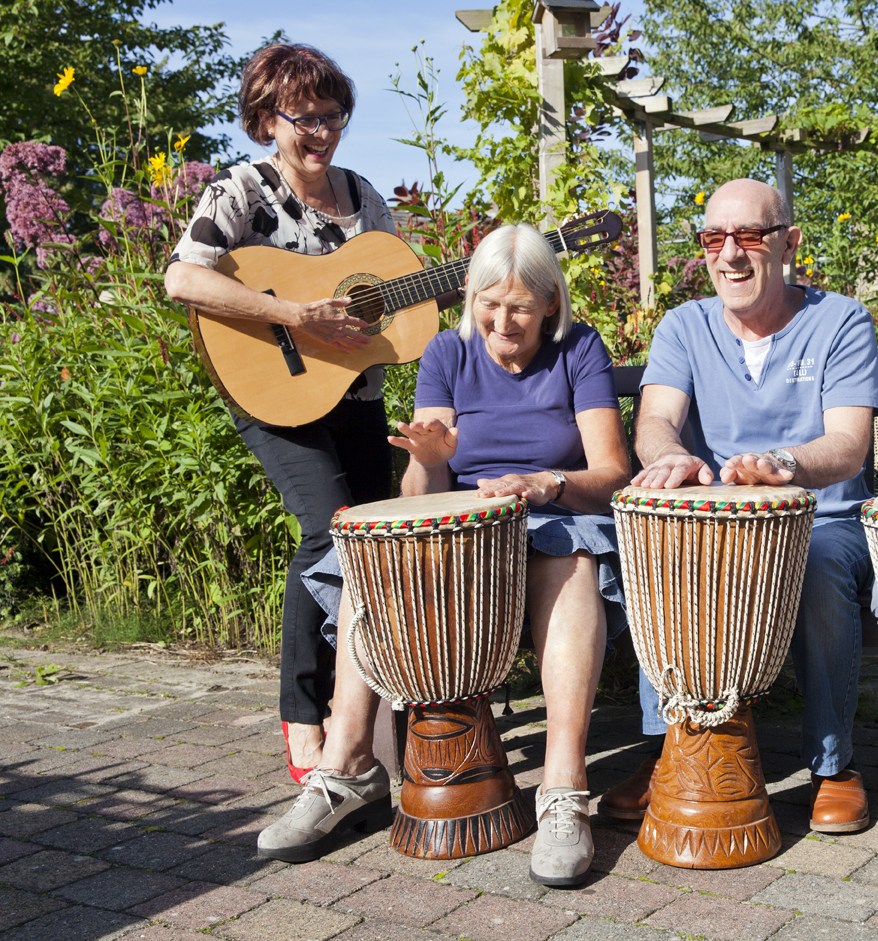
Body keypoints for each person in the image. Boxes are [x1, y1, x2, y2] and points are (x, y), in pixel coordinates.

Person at [255, 223, 633, 887]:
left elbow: (611, 472)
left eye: (519, 305)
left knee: (573, 564)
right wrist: (431, 461)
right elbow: (417, 496)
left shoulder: (578, 349)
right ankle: (345, 770)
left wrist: (553, 483)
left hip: (550, 517)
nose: (502, 320)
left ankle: (563, 789)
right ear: (469, 297)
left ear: (551, 302)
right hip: (462, 529)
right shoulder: (446, 353)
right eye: (489, 302)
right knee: (373, 562)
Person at [598, 178, 878, 833]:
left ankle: (833, 767)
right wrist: (667, 455)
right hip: (718, 524)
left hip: (822, 520)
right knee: (662, 557)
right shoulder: (684, 325)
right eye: (713, 238)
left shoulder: (839, 319)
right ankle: (669, 749)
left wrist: (786, 466)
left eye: (750, 236)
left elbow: (846, 444)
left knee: (815, 569)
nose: (730, 254)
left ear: (788, 243)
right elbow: (656, 422)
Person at [165, 44, 404, 783]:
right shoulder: (242, 191)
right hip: (272, 390)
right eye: (304, 118)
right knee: (324, 530)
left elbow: (394, 286)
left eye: (332, 116)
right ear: (268, 119)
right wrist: (295, 314)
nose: (321, 132)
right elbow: (182, 277)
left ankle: (360, 705)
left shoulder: (363, 195)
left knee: (372, 543)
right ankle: (303, 717)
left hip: (355, 394)